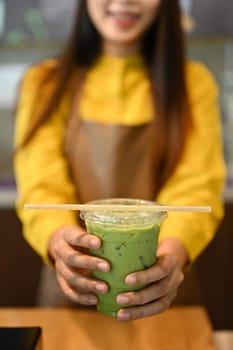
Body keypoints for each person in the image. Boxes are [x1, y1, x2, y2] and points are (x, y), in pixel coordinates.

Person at [14, 0, 226, 321]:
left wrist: (171, 255)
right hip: (76, 285)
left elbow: (196, 186)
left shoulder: (193, 84)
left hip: (162, 284)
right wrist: (59, 240)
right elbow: (42, 186)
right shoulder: (44, 83)